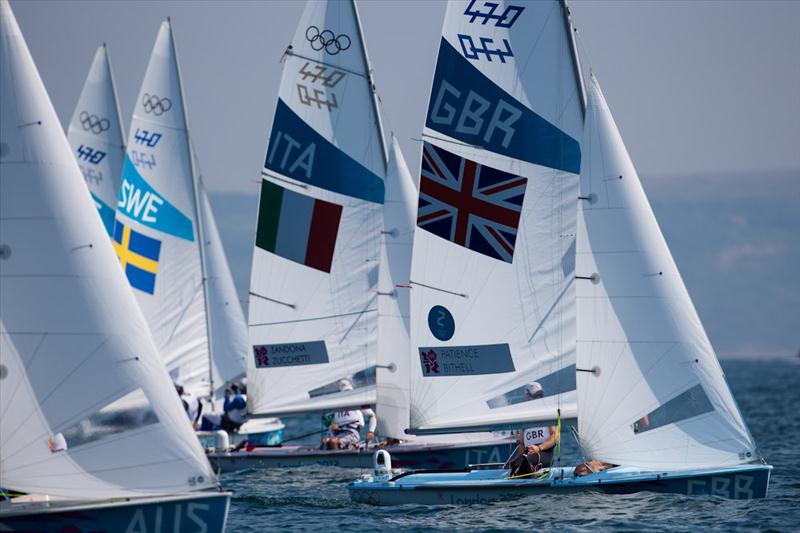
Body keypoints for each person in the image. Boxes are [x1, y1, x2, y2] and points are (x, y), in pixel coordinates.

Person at [507, 382, 558, 476]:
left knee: (526, 463)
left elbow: (555, 436)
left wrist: (538, 448)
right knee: (515, 464)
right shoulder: (525, 417)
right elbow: (521, 443)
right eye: (535, 395)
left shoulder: (547, 413)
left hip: (544, 453)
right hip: (528, 454)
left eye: (540, 395)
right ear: (527, 397)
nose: (538, 398)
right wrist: (521, 455)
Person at [321, 379, 377, 450]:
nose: (347, 394)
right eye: (345, 392)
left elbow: (372, 416)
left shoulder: (358, 401)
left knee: (333, 442)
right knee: (325, 443)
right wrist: (330, 426)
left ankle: (338, 459)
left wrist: (371, 431)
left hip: (351, 433)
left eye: (349, 392)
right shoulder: (336, 404)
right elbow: (326, 420)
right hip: (336, 433)